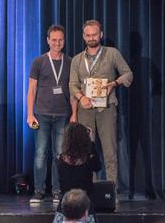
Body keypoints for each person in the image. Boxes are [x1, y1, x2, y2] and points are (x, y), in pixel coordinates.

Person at [69, 19, 133, 187]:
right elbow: (72, 84)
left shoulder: (112, 54)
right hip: (85, 109)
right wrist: (80, 97)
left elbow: (128, 74)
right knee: (85, 152)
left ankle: (111, 191)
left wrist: (115, 83)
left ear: (101, 35)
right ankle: (88, 189)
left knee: (109, 152)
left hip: (106, 108)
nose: (91, 38)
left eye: (94, 35)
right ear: (83, 36)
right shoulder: (77, 59)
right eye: (88, 35)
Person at [27, 24, 76, 203]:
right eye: (53, 39)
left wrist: (74, 114)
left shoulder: (70, 62)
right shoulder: (38, 62)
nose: (57, 43)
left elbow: (73, 90)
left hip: (62, 114)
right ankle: (38, 190)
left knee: (59, 154)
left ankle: (57, 191)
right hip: (41, 114)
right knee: (40, 153)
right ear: (48, 40)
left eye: (60, 39)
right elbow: (31, 89)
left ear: (64, 40)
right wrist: (29, 114)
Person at [53, 122, 101, 223]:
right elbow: (98, 167)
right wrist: (91, 143)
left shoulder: (60, 159)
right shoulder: (89, 159)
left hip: (65, 203)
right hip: (85, 203)